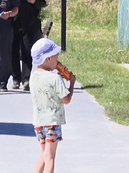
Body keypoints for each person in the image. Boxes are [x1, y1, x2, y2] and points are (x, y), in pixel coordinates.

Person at [29, 38, 76, 173]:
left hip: (38, 122)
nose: (58, 60)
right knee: (50, 158)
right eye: (56, 56)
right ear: (48, 59)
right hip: (52, 122)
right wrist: (71, 83)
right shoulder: (55, 79)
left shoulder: (33, 76)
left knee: (44, 155)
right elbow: (66, 100)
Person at [7, 0, 46, 91]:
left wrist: (34, 1)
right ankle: (16, 78)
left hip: (28, 24)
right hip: (12, 24)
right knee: (13, 52)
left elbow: (42, 3)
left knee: (26, 52)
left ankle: (26, 79)